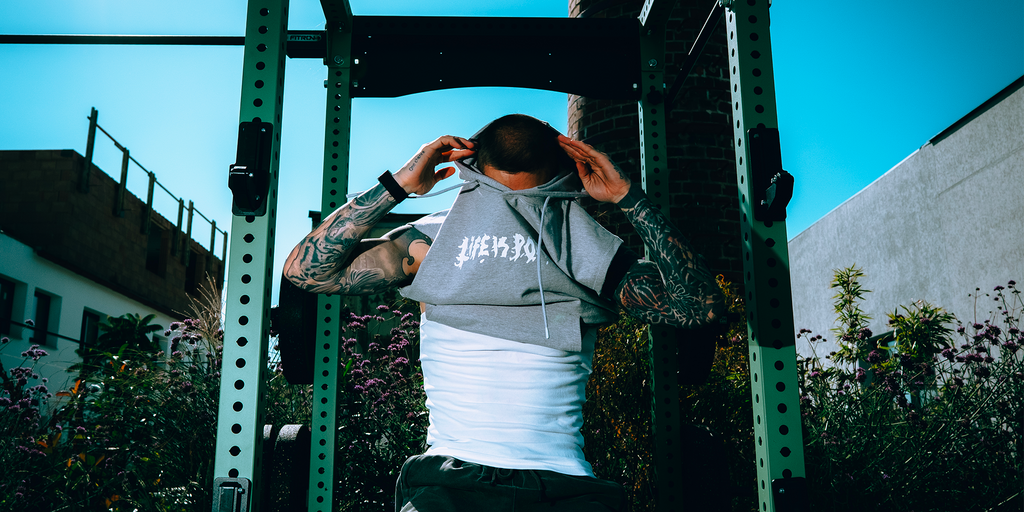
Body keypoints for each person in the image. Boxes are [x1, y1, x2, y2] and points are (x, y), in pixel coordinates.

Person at [283, 114, 724, 512]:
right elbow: (699, 305)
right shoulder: (444, 241)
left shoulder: (572, 247)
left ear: (470, 166)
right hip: (466, 485)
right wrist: (628, 196)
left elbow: (305, 270)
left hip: (552, 487)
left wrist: (400, 184)